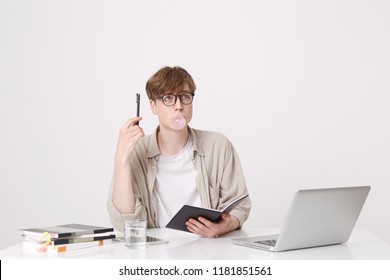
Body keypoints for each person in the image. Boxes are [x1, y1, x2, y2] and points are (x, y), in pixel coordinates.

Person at [107, 66, 251, 238]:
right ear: (153, 106)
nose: (179, 106)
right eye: (168, 98)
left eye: (184, 97)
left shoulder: (218, 145)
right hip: (155, 255)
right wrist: (121, 159)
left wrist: (225, 225)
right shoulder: (136, 151)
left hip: (209, 251)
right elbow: (124, 223)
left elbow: (240, 207)